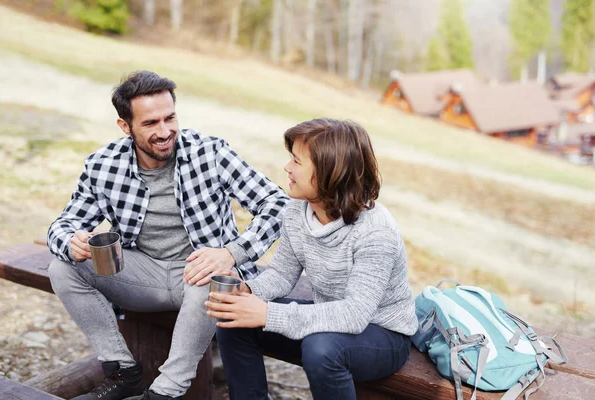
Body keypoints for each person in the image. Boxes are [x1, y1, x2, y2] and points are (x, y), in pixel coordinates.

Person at [46, 70, 289, 400]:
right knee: (61, 267)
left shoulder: (211, 154)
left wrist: (232, 251)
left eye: (170, 118)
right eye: (150, 124)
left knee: (216, 276)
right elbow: (62, 225)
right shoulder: (103, 166)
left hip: (200, 277)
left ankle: (164, 393)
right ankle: (122, 371)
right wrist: (70, 241)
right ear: (125, 126)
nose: (164, 132)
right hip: (141, 275)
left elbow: (277, 203)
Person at [206, 118, 419, 400]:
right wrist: (248, 291)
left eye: (296, 161)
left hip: (383, 336)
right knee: (236, 320)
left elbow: (355, 315)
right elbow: (282, 274)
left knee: (321, 349)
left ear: (330, 171)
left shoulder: (375, 231)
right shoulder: (297, 210)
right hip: (326, 321)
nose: (287, 167)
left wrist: (270, 314)